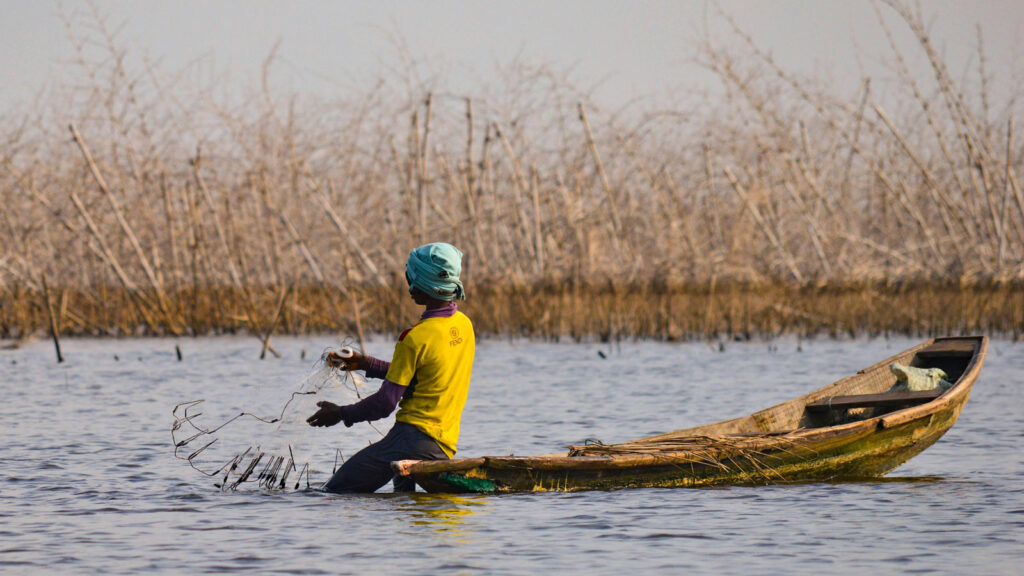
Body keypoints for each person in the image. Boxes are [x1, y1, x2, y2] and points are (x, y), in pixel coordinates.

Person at [307, 242, 475, 493]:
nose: (409, 286)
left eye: (412, 277)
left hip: (408, 442)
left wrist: (340, 414)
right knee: (404, 506)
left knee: (335, 491)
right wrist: (366, 364)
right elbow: (424, 377)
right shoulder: (463, 326)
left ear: (425, 283)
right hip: (441, 445)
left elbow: (384, 404)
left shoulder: (415, 338)